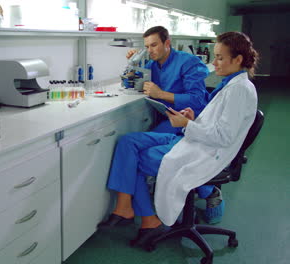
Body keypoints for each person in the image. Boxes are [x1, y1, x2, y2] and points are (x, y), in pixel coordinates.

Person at [99, 31, 259, 245]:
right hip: (193, 132)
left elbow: (223, 136)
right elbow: (218, 120)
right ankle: (125, 208)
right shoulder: (232, 84)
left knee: (134, 159)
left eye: (220, 57)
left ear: (238, 59)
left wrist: (186, 123)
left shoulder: (237, 90)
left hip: (205, 149)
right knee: (128, 143)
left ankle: (149, 220)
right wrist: (194, 120)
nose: (214, 62)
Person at [100, 26, 217, 227]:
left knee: (133, 155)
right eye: (147, 46)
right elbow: (131, 82)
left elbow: (198, 101)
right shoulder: (151, 62)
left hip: (189, 123)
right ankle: (138, 213)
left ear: (167, 43)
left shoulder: (189, 62)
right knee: (129, 149)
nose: (151, 50)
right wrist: (134, 63)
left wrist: (161, 94)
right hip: (167, 121)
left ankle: (209, 190)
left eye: (154, 45)